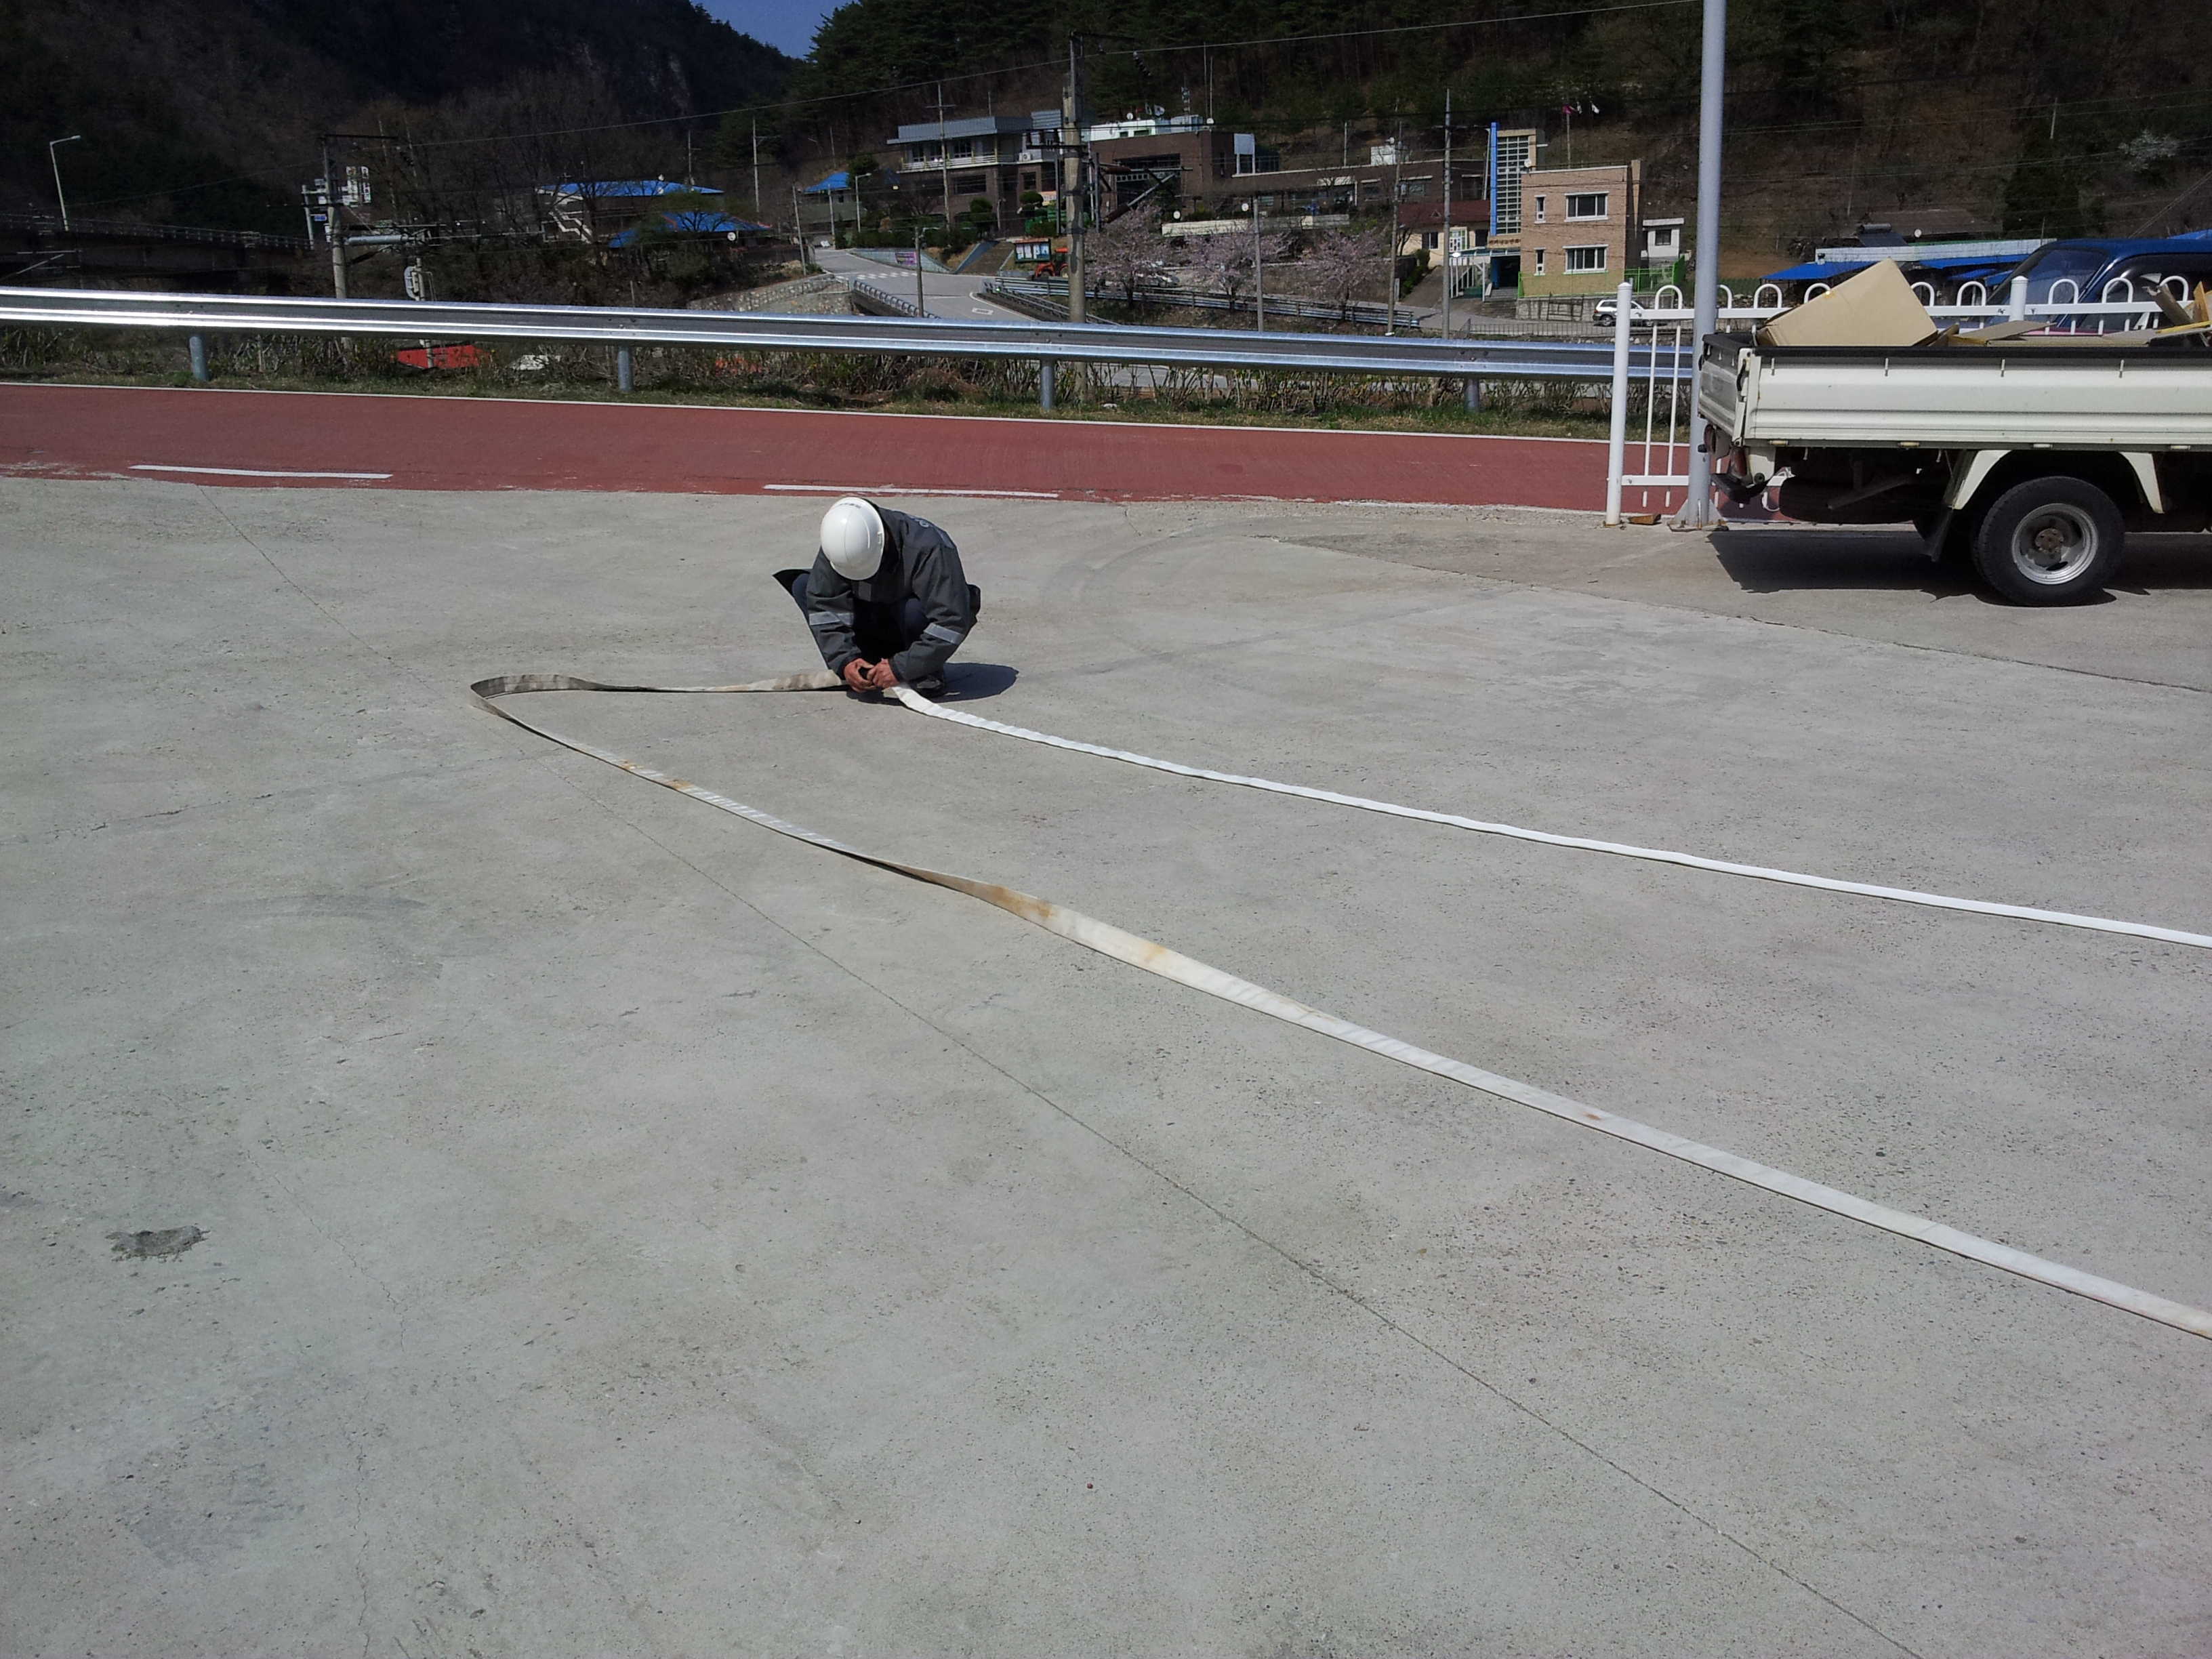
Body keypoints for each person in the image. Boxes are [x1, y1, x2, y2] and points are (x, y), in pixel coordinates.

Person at [776, 497, 981, 695]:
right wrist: (845, 660)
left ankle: (923, 669)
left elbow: (951, 622)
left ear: (884, 540)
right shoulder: (840, 542)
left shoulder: (930, 548)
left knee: (913, 609)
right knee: (804, 585)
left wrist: (902, 667)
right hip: (875, 620)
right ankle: (866, 664)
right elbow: (824, 605)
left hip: (910, 631)